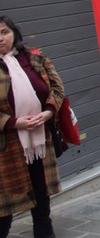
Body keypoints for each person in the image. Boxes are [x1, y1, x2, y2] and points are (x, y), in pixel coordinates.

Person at [0, 15, 65, 238]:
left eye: (4, 32)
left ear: (14, 33)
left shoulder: (35, 58)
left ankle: (44, 234)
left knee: (41, 195)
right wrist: (13, 122)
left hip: (39, 141)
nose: (0, 39)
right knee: (4, 206)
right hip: (7, 147)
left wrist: (48, 112)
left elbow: (57, 89)